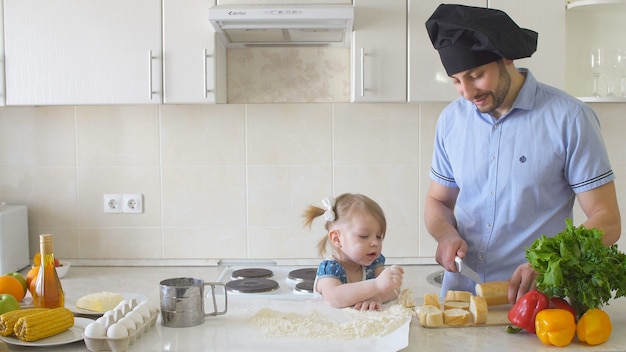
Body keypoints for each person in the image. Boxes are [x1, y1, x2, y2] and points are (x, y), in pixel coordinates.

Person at [423, 4, 621, 304]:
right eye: (456, 80)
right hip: (462, 300)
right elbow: (438, 201)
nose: (467, 92)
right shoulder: (452, 120)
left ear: (507, 59)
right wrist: (445, 234)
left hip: (539, 303)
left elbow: (607, 220)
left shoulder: (570, 118)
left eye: (476, 75)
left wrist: (550, 262)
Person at [303, 193, 404, 311]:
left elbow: (392, 289)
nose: (375, 243)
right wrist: (376, 285)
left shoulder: (373, 263)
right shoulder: (330, 268)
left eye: (378, 236)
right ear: (337, 239)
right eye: (364, 236)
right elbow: (334, 298)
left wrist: (377, 297)